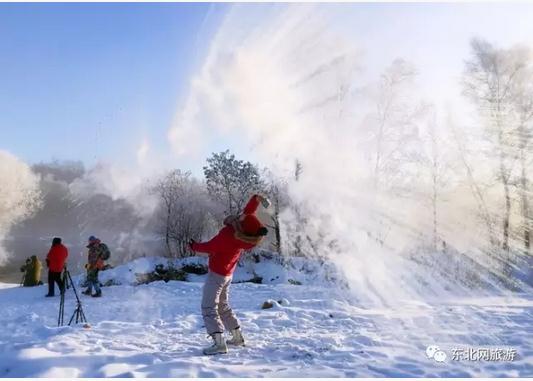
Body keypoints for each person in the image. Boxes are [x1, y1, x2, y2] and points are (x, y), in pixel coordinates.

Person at [189, 194, 270, 355]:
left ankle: (219, 343)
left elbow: (210, 247)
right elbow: (249, 211)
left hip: (217, 275)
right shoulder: (245, 235)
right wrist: (258, 198)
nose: (241, 215)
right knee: (223, 305)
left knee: (208, 306)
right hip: (227, 275)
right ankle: (237, 337)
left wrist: (193, 246)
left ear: (241, 224)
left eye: (241, 217)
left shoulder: (228, 236)